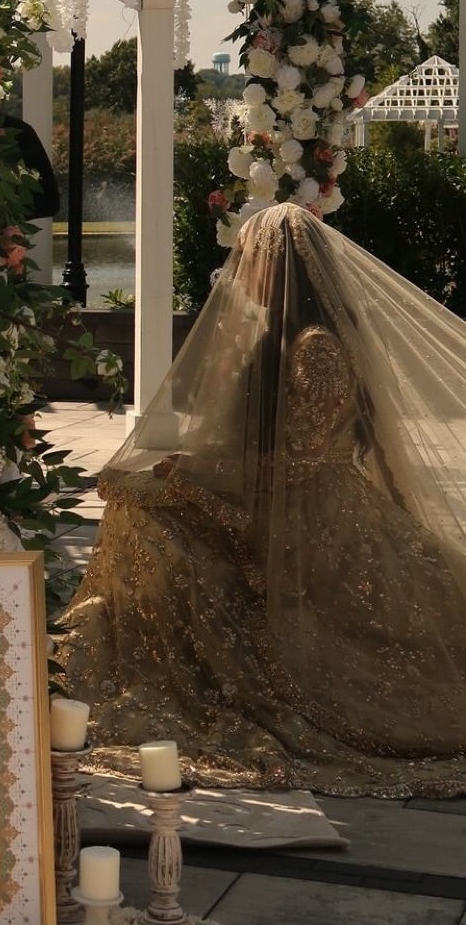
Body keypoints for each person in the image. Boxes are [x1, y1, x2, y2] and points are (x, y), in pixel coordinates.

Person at [63, 201, 466, 797]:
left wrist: (195, 475)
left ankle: (160, 668)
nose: (240, 272)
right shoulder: (289, 338)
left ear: (278, 269)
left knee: (148, 515)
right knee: (140, 499)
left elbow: (296, 462)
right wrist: (193, 471)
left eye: (249, 259)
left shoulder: (315, 347)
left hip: (313, 529)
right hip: (290, 508)